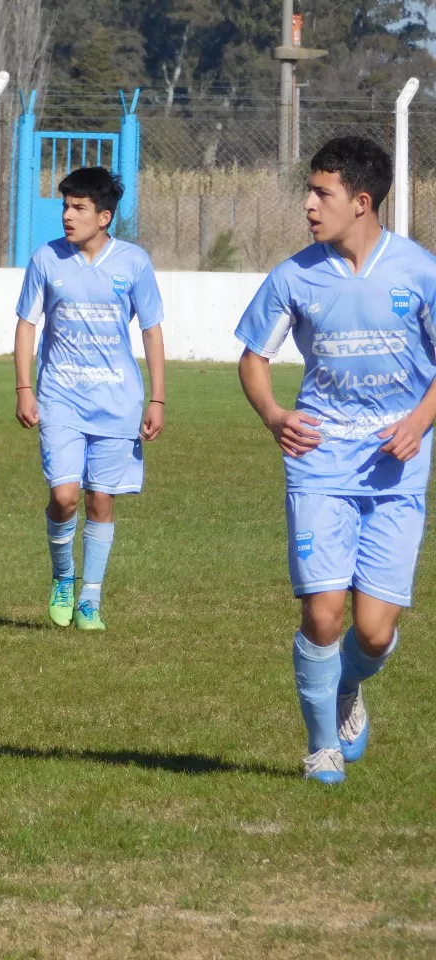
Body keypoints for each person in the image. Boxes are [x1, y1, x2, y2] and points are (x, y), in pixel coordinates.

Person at [236, 136, 436, 784]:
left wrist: (418, 422)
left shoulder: (419, 272)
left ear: (361, 201)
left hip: (396, 469)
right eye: (310, 191)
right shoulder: (293, 277)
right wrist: (275, 416)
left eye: (322, 193)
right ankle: (322, 747)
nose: (308, 204)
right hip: (319, 462)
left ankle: (347, 685)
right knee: (323, 612)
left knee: (373, 632)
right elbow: (253, 359)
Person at [13, 166, 166, 631]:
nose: (67, 215)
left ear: (104, 216)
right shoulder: (46, 259)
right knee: (64, 497)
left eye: (78, 207)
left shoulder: (134, 263)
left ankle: (90, 600)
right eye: (65, 205)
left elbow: (151, 330)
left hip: (117, 402)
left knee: (101, 500)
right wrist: (24, 387)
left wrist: (158, 398)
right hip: (60, 397)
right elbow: (27, 324)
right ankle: (63, 576)